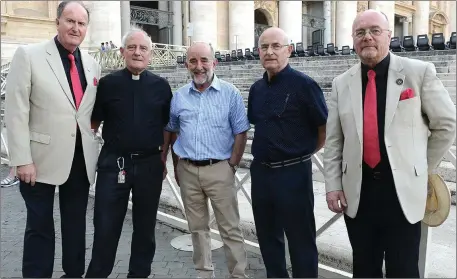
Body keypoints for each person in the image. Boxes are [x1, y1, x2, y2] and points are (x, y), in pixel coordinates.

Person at [323, 9, 456, 278]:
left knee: (404, 269)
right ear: (353, 39)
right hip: (358, 193)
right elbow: (335, 140)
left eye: (374, 30)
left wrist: (420, 166)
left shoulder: (418, 73)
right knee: (364, 267)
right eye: (360, 32)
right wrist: (333, 185)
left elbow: (446, 124)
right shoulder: (341, 83)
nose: (367, 37)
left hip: (402, 193)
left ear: (389, 35)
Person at [5, 1, 100, 277]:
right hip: (38, 162)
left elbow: (87, 112)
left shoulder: (93, 65)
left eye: (81, 24)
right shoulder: (29, 55)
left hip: (80, 161)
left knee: (75, 225)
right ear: (56, 22)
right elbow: (16, 111)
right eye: (70, 21)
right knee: (39, 226)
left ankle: (73, 273)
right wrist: (22, 159)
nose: (75, 28)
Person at [85, 26, 172, 278]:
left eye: (143, 48)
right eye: (132, 47)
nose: (137, 52)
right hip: (114, 164)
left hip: (149, 165)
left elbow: (168, 127)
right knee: (105, 226)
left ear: (150, 54)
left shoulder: (161, 86)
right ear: (122, 52)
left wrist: (163, 157)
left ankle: (139, 274)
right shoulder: (107, 84)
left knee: (145, 229)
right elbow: (93, 124)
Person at [164, 42, 250, 278]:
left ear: (214, 63)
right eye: (193, 61)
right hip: (188, 170)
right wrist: (175, 166)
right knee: (197, 229)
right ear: (186, 65)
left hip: (219, 168)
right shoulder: (179, 97)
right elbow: (171, 131)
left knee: (230, 228)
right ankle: (204, 273)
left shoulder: (230, 93)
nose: (199, 66)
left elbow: (241, 131)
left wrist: (232, 164)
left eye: (204, 60)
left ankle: (238, 275)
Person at [247, 27, 327, 278]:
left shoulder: (305, 85)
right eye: (264, 47)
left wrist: (299, 154)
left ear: (289, 50)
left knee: (301, 239)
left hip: (294, 174)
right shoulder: (256, 89)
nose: (269, 52)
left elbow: (323, 128)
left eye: (276, 46)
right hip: (261, 174)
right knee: (268, 238)